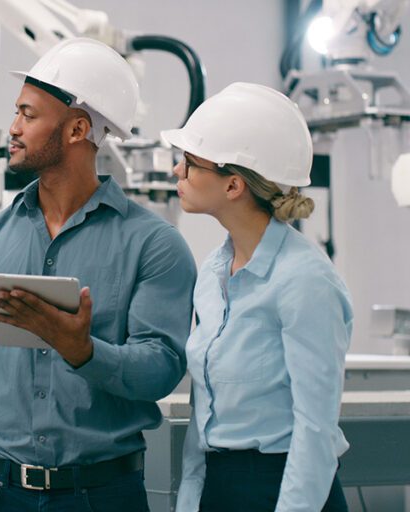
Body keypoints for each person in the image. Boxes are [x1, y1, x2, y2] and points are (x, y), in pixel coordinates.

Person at [0, 38, 197, 512]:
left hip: (105, 495)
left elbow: (162, 369)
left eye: (28, 115)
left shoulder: (155, 245)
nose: (12, 128)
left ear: (77, 129)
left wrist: (84, 352)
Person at [161, 82, 353, 512]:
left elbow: (315, 432)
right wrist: (192, 500)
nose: (177, 171)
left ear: (233, 186)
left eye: (190, 163)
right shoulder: (212, 273)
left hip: (284, 489)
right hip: (221, 486)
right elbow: (205, 415)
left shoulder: (305, 281)